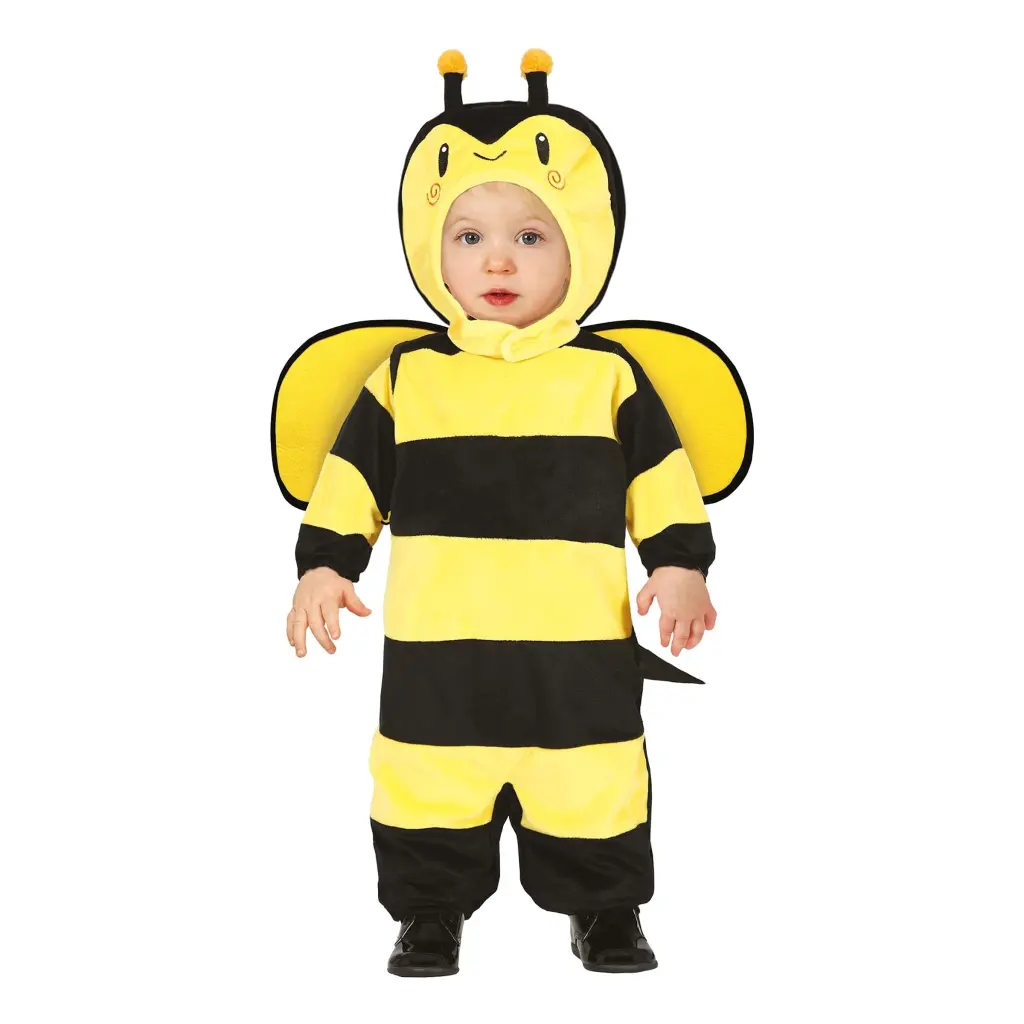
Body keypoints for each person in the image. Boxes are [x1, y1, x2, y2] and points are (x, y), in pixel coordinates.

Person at [276, 47, 751, 977]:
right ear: (430, 247)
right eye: (468, 237)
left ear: (584, 246)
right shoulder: (407, 378)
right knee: (425, 778)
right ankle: (429, 911)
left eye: (532, 236)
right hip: (436, 657)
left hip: (576, 655)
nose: (497, 259)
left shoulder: (606, 376)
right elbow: (350, 475)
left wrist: (679, 562)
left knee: (591, 777)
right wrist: (325, 563)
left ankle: (605, 909)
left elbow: (661, 475)